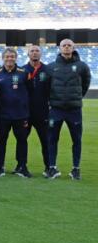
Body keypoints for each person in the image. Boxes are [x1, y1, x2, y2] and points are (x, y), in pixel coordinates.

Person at [45, 39, 91, 180]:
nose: (66, 48)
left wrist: (76, 98)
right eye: (64, 45)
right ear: (59, 48)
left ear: (73, 48)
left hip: (74, 110)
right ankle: (52, 168)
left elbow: (85, 84)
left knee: (76, 140)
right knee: (52, 139)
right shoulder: (51, 67)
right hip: (56, 109)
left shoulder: (82, 66)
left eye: (69, 45)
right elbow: (47, 88)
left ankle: (76, 169)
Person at [0, 48, 31, 178]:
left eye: (12, 56)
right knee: (1, 141)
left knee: (22, 141)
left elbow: (30, 92)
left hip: (20, 115)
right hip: (2, 115)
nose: (10, 59)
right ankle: (0, 166)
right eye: (7, 56)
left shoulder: (24, 72)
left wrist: (27, 110)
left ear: (16, 58)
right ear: (2, 58)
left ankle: (22, 166)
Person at [24, 44, 50, 173]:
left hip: (43, 113)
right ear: (28, 54)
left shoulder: (48, 70)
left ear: (41, 54)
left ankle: (49, 167)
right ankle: (22, 166)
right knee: (22, 140)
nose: (34, 53)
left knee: (46, 142)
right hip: (25, 113)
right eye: (32, 51)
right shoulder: (22, 70)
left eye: (37, 51)